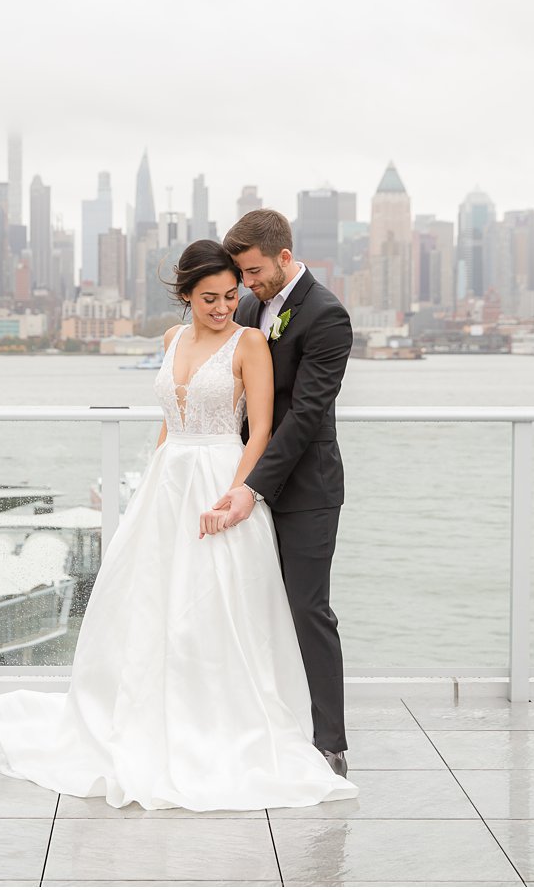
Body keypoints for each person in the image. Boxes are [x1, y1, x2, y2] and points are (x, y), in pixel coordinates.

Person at [0, 239, 357, 811]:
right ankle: (149, 714)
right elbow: (169, 419)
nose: (226, 304)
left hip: (225, 479)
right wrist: (146, 483)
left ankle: (274, 734)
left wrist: (241, 493)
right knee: (148, 601)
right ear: (185, 296)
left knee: (223, 606)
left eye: (233, 293)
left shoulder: (253, 338)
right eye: (212, 297)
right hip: (167, 482)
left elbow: (261, 430)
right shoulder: (174, 338)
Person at [212, 208, 353, 776]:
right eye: (242, 274)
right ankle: (258, 723)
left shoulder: (327, 316)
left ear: (285, 258)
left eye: (252, 272)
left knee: (307, 609)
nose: (246, 284)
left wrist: (252, 487)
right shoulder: (248, 306)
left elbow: (303, 417)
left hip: (305, 488)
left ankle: (330, 743)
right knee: (248, 606)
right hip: (244, 474)